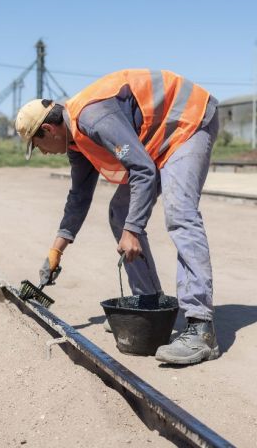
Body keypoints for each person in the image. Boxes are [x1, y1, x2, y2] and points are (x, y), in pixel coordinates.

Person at [15, 69, 220, 365]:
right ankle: (149, 304)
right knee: (120, 212)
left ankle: (202, 329)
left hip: (188, 122)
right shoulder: (75, 142)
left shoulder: (92, 118)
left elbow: (142, 170)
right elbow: (79, 197)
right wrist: (56, 250)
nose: (43, 153)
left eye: (37, 146)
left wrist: (133, 230)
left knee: (180, 213)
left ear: (48, 130)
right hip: (157, 141)